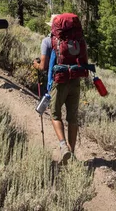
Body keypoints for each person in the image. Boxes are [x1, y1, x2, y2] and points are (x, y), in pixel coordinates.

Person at [33, 13, 87, 164]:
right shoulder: (78, 40)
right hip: (75, 80)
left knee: (55, 115)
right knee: (72, 118)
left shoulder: (47, 41)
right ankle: (72, 151)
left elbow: (43, 67)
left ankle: (63, 146)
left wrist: (35, 64)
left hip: (58, 82)